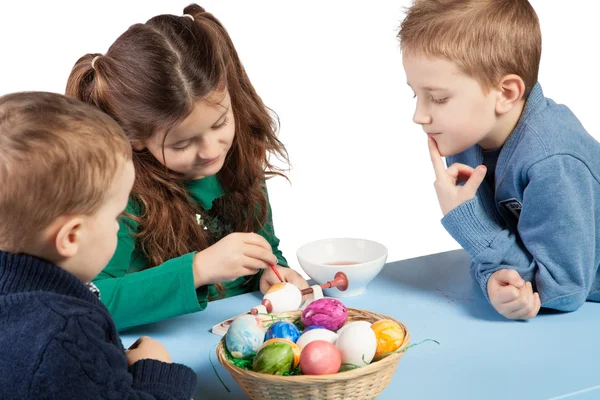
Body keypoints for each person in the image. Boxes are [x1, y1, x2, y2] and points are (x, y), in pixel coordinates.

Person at [65, 4, 308, 330]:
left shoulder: (238, 155)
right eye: (182, 143)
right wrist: (197, 269)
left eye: (220, 122)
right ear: (136, 138)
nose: (211, 150)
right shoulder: (119, 192)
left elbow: (266, 247)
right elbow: (88, 301)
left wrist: (272, 271)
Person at [399, 0, 600, 319]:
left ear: (506, 94)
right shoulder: (468, 135)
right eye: (416, 95)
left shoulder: (552, 161)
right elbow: (494, 257)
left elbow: (565, 288)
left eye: (438, 98)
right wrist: (493, 279)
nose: (419, 115)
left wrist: (465, 219)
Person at [0, 92, 196, 399]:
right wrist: (156, 373)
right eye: (116, 216)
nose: (120, 226)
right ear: (71, 237)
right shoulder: (68, 335)